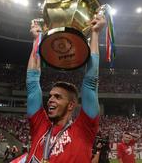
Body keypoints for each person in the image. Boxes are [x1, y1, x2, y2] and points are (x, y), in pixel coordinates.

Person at [26, 11, 105, 162]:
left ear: (71, 105)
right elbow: (32, 82)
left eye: (57, 97)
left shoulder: (83, 129)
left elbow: (90, 82)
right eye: (50, 96)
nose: (50, 100)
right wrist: (37, 40)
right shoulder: (39, 126)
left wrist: (95, 34)